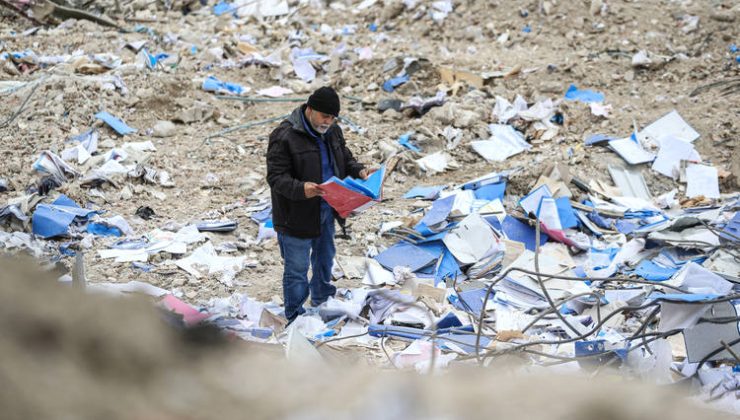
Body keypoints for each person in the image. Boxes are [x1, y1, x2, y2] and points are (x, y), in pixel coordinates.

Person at [266, 86, 370, 323]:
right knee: (297, 271)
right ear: (310, 109)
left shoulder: (332, 131)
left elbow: (344, 157)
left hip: (326, 209)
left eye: (333, 118)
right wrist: (304, 189)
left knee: (325, 258)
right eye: (325, 116)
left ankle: (322, 298)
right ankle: (295, 316)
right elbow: (276, 178)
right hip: (296, 215)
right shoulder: (284, 137)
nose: (329, 122)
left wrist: (360, 170)